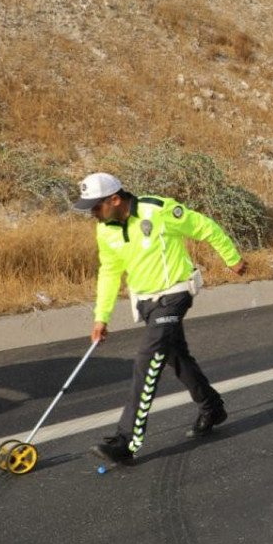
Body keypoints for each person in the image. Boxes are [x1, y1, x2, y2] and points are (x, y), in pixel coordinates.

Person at [74, 172, 247, 464]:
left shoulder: (159, 210)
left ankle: (126, 441)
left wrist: (232, 258)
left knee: (147, 361)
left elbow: (204, 227)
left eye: (96, 206)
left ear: (115, 199)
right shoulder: (105, 229)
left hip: (175, 293)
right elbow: (110, 272)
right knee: (175, 356)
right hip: (145, 302)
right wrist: (101, 317)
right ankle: (212, 407)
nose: (92, 213)